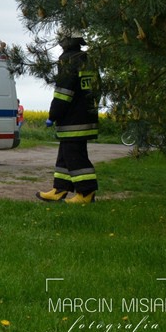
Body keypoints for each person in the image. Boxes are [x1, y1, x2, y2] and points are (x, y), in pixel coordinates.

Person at [37, 30, 101, 204]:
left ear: (66, 41)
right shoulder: (88, 59)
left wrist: (53, 115)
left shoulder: (68, 59)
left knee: (75, 155)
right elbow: (97, 88)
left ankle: (86, 192)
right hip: (86, 115)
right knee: (65, 154)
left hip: (72, 119)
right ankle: (60, 189)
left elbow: (63, 91)